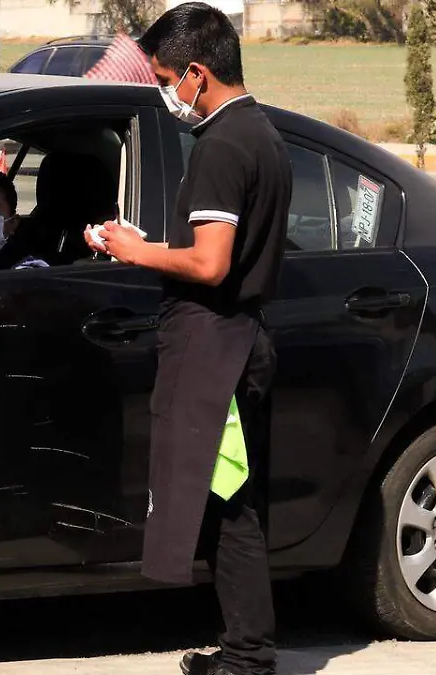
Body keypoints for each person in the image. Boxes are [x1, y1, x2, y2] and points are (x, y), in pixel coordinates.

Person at [85, 5, 292, 675]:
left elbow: (210, 263)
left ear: (197, 74)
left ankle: (247, 660)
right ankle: (245, 652)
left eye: (165, 78)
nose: (164, 92)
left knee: (229, 508)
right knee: (231, 501)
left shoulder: (223, 146)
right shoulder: (262, 133)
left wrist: (134, 250)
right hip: (241, 337)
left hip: (217, 349)